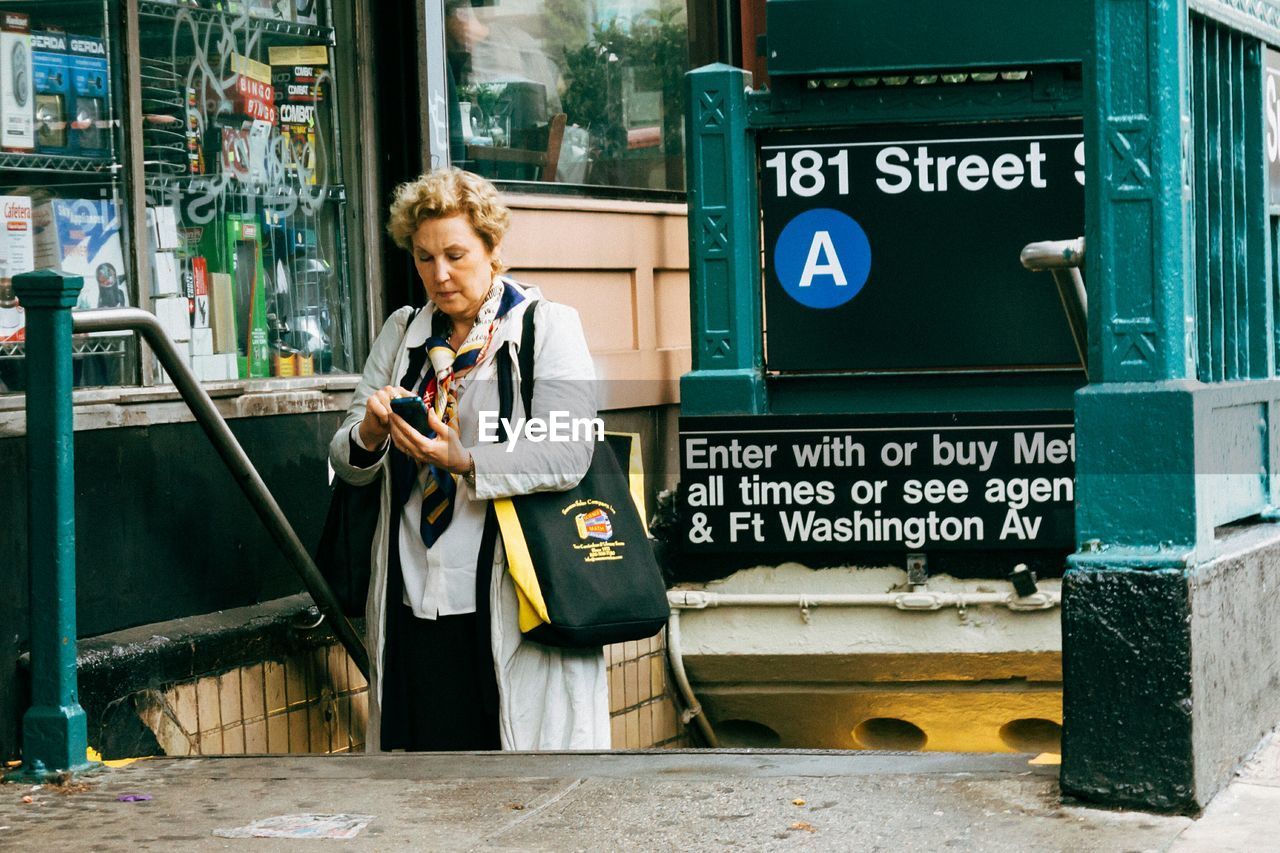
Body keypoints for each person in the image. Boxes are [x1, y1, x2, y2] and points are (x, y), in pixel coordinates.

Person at [328, 168, 608, 751]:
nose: (440, 274)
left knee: (509, 782)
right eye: (425, 258)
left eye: (456, 254)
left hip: (506, 600)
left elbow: (569, 449)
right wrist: (374, 430)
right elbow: (347, 455)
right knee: (422, 778)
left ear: (493, 248)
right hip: (410, 598)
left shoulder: (546, 328)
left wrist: (467, 460)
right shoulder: (402, 332)